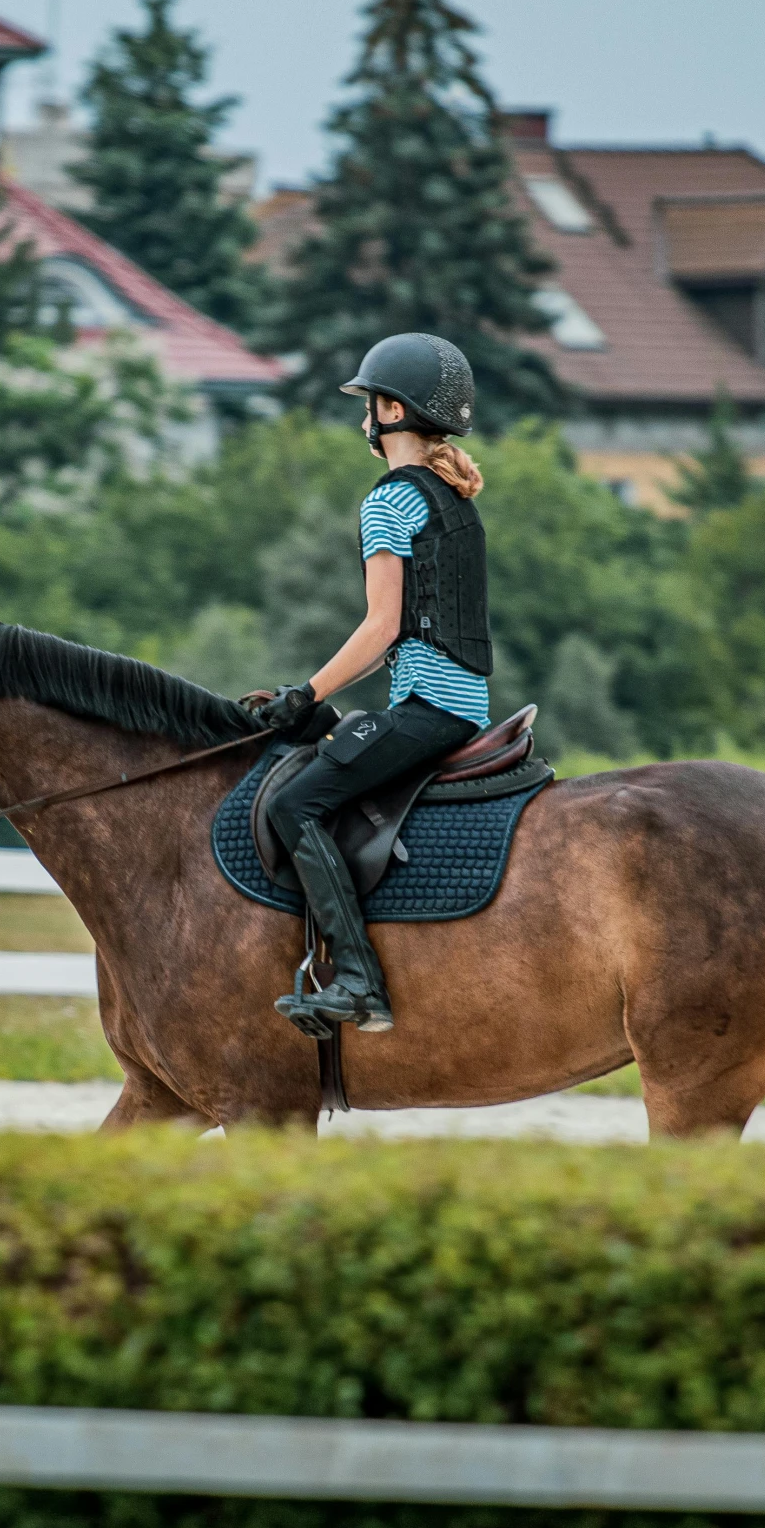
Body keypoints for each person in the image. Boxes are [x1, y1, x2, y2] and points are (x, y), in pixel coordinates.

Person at [248, 332, 493, 1033]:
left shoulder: (389, 501)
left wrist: (306, 693)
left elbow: (381, 627)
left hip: (426, 710)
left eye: (369, 405)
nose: (363, 419)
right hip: (465, 708)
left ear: (391, 409)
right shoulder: (453, 498)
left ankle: (357, 981)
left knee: (294, 805)